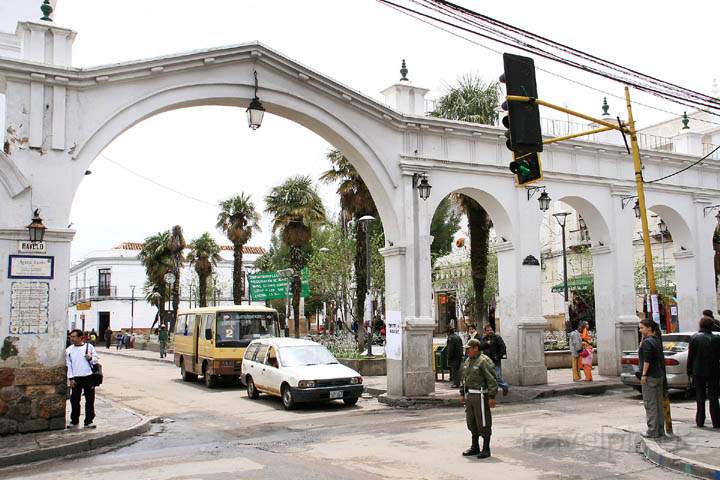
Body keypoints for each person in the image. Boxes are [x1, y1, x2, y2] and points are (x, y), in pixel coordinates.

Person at [459, 339, 498, 459]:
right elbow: (464, 378)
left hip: (481, 395)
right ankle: (474, 446)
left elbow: (491, 379)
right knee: (471, 421)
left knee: (483, 422)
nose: (467, 351)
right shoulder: (468, 361)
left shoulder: (484, 361)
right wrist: (462, 393)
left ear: (476, 348)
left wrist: (492, 397)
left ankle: (486, 448)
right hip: (470, 395)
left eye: (469, 349)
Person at [687, 316, 720, 428]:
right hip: (713, 370)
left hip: (698, 370)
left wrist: (689, 370)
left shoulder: (694, 338)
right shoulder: (716, 338)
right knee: (713, 396)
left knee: (700, 396)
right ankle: (716, 421)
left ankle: (700, 421)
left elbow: (690, 356)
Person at [65, 328, 98, 429]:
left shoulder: (89, 347)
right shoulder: (69, 350)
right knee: (74, 400)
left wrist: (91, 358)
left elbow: (96, 359)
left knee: (90, 400)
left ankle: (89, 420)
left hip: (89, 377)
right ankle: (74, 420)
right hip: (76, 378)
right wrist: (71, 379)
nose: (72, 339)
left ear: (80, 337)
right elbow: (69, 365)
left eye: (74, 337)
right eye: (71, 337)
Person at [638, 319, 666, 438]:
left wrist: (644, 374)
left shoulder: (648, 342)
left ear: (649, 328)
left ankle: (652, 430)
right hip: (658, 375)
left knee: (650, 404)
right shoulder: (656, 340)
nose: (640, 330)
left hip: (650, 376)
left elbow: (647, 360)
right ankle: (660, 429)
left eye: (642, 328)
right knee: (658, 403)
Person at [481, 325, 509, 396]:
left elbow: (503, 347)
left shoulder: (497, 338)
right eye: (488, 330)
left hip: (495, 360)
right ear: (485, 332)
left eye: (490, 330)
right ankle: (491, 392)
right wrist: (486, 343)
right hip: (486, 361)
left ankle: (504, 386)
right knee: (488, 377)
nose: (490, 331)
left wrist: (498, 356)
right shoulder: (484, 339)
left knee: (497, 376)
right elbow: (481, 347)